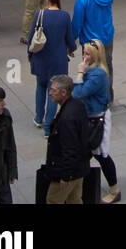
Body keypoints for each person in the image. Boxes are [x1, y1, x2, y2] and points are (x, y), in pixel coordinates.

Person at [73, 39, 119, 203]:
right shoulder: (93, 70)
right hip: (88, 117)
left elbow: (77, 93)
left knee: (101, 155)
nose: (84, 57)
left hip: (97, 119)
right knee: (86, 153)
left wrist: (79, 73)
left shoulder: (97, 74)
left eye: (88, 54)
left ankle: (114, 189)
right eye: (84, 53)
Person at [28, 0, 75, 135]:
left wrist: (30, 55)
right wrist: (71, 49)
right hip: (58, 61)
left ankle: (38, 117)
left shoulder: (39, 15)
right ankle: (48, 127)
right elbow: (70, 39)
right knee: (54, 91)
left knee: (40, 87)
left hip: (41, 59)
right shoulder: (64, 16)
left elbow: (31, 38)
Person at [44, 73, 92, 205]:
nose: (50, 93)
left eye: (53, 90)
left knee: (53, 200)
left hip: (68, 171)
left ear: (63, 92)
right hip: (79, 167)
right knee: (75, 199)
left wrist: (65, 176)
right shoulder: (77, 105)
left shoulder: (66, 119)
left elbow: (69, 149)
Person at [72, 0, 116, 103]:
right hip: (107, 37)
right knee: (107, 66)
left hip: (90, 41)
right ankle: (108, 96)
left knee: (89, 69)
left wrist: (71, 41)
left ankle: (93, 98)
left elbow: (77, 22)